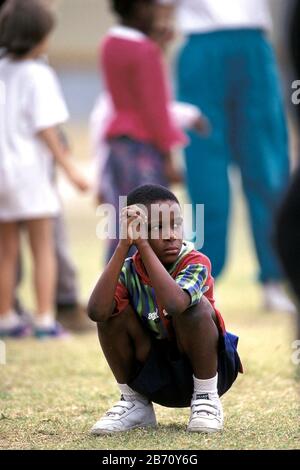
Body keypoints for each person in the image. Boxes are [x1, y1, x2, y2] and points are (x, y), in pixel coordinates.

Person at [88, 184, 242, 434]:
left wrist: (145, 246)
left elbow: (175, 304)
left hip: (206, 371)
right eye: (157, 227)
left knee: (194, 306)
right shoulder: (128, 270)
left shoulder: (195, 262)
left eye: (176, 224)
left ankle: (206, 400)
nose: (171, 234)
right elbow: (96, 312)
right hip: (156, 378)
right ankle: (134, 402)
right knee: (109, 310)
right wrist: (122, 246)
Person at [176, 0, 295, 313]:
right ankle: (199, 275)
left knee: (267, 167)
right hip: (201, 44)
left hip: (253, 43)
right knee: (205, 173)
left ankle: (274, 278)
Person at [0, 0, 88, 338]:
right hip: (30, 175)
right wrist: (70, 169)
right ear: (40, 37)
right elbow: (47, 129)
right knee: (43, 248)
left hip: (3, 174)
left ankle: (6, 317)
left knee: (7, 251)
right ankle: (44, 320)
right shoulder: (39, 73)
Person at [99, 0, 187, 260]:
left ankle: (115, 284)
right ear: (139, 9)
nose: (158, 15)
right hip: (143, 147)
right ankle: (152, 286)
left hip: (118, 144)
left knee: (122, 218)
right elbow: (155, 109)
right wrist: (169, 158)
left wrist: (155, 47)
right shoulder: (146, 51)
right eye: (153, 7)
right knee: (153, 221)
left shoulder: (109, 44)